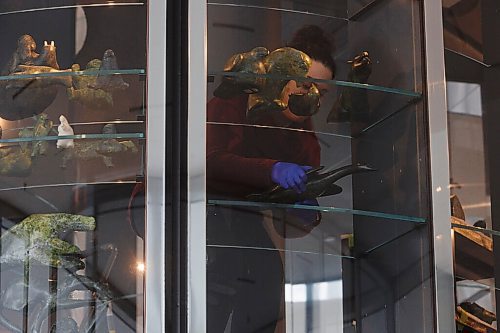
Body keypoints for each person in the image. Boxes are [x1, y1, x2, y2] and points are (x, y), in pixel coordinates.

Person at [206, 25, 335, 333]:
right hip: (204, 209)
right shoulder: (235, 100)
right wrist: (272, 170)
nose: (312, 96)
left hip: (241, 216)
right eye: (305, 84)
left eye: (322, 91)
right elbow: (208, 160)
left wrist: (304, 207)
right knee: (225, 275)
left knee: (265, 277)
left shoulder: (304, 137)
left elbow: (286, 223)